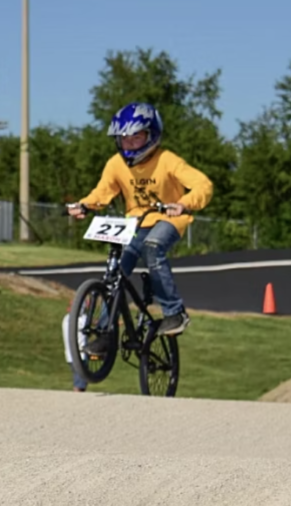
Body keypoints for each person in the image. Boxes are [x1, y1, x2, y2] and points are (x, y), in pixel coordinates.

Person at [67, 102, 213, 354]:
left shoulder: (167, 160)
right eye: (124, 139)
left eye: (137, 137)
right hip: (134, 222)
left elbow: (203, 185)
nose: (130, 144)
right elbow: (104, 191)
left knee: (153, 247)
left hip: (167, 219)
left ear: (152, 135)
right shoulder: (116, 164)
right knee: (114, 273)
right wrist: (85, 205)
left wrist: (183, 203)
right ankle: (105, 332)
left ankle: (174, 312)